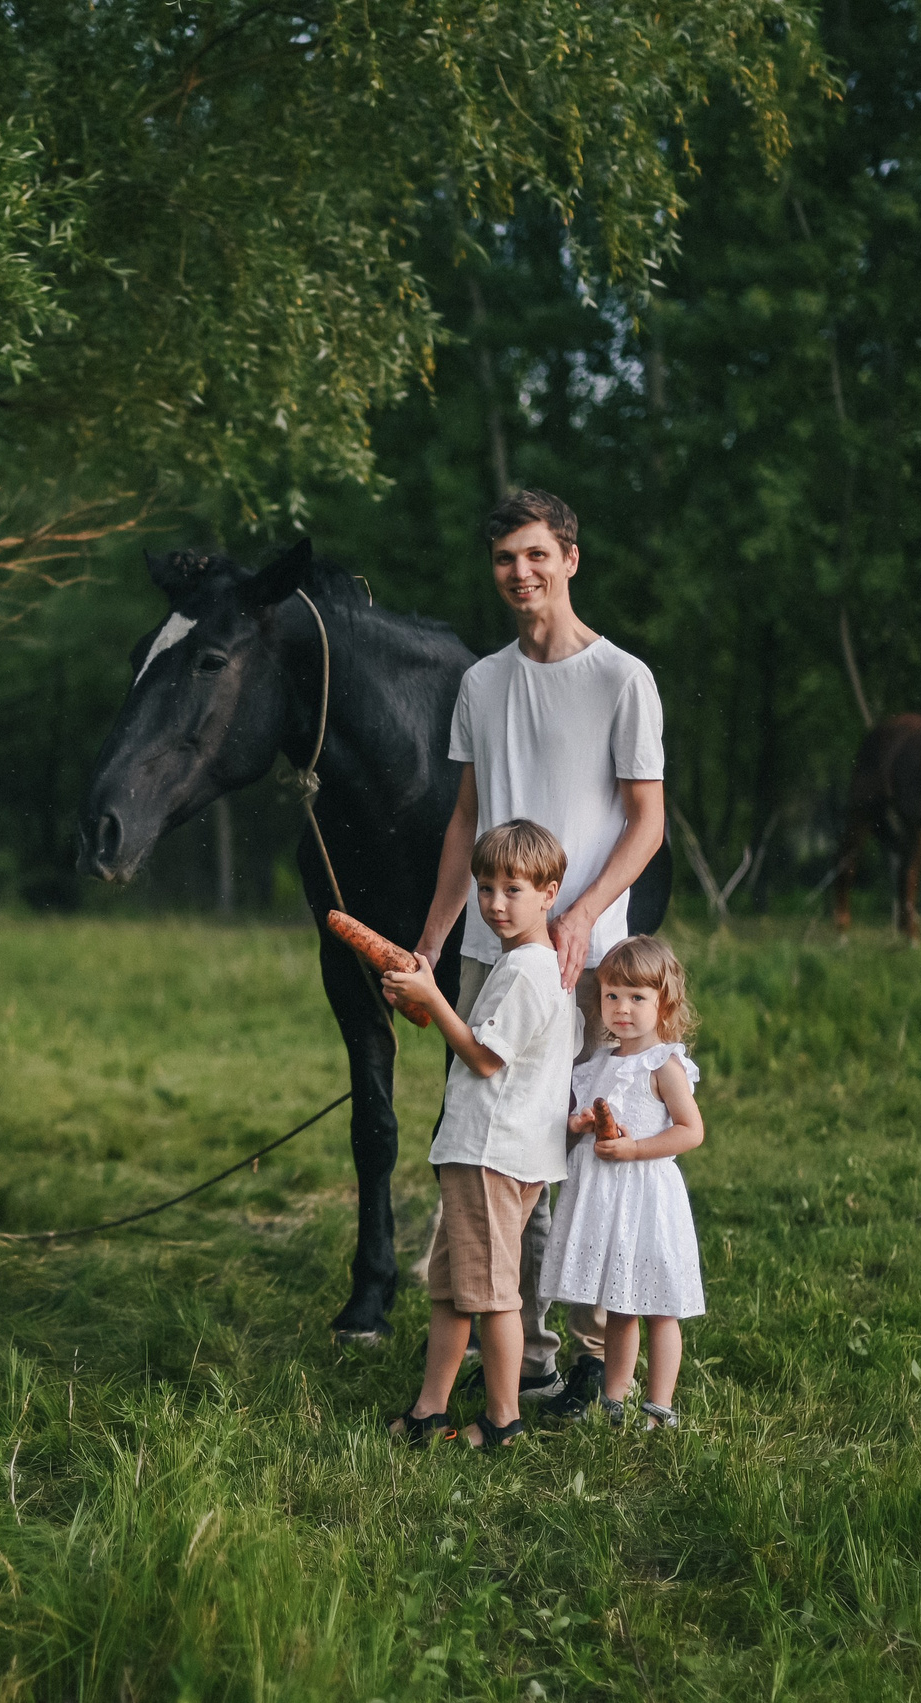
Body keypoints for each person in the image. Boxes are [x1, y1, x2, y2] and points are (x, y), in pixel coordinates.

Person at [408, 487, 666, 1420]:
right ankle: (530, 1354)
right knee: (496, 1143)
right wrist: (436, 940)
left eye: (535, 555)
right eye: (504, 560)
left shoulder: (622, 678)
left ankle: (601, 1351)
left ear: (569, 557)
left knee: (586, 1145)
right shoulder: (481, 682)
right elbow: (467, 819)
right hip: (491, 950)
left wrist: (582, 915)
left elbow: (648, 821)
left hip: (588, 957)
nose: (520, 574)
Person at [381, 821, 582, 1449]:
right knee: (452, 1292)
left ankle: (502, 1421)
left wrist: (431, 996)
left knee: (494, 1297)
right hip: (488, 1152)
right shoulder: (526, 965)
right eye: (485, 887)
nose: (494, 903)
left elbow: (485, 1058)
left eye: (512, 889)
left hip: (492, 1154)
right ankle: (428, 1411)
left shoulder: (528, 971)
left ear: (549, 894)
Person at [536, 935, 707, 1429]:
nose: (622, 1009)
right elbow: (584, 1118)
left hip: (646, 1198)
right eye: (612, 996)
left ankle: (659, 1408)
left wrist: (634, 1148)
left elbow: (689, 1131)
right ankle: (614, 1402)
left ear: (664, 1003)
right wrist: (583, 1124)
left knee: (659, 1309)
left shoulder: (664, 1065)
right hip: (607, 1202)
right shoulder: (598, 1064)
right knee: (618, 1303)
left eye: (637, 998)